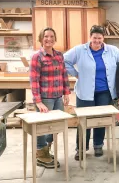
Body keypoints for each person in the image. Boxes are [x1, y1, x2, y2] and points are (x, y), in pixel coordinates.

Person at [64, 25, 119, 161]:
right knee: (83, 121)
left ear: (103, 38)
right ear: (90, 37)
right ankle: (81, 148)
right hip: (85, 92)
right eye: (94, 38)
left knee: (100, 120)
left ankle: (98, 145)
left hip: (104, 92)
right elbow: (64, 60)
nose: (97, 41)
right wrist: (76, 74)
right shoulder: (80, 50)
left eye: (100, 38)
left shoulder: (112, 50)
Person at [30, 27, 70, 168]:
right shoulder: (37, 57)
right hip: (45, 98)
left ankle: (45, 150)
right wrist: (38, 101)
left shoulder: (59, 55)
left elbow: (64, 75)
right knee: (42, 127)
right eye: (46, 36)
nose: (49, 39)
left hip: (58, 96)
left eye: (52, 36)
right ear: (41, 38)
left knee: (55, 127)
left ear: (55, 38)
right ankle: (41, 154)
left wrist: (66, 92)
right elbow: (34, 80)